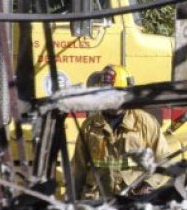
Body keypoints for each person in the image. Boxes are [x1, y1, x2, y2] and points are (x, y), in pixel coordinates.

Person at [70, 63, 170, 198]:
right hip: (97, 202)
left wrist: (148, 184)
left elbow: (164, 159)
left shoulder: (144, 122)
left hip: (132, 199)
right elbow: (78, 169)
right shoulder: (89, 126)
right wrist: (72, 200)